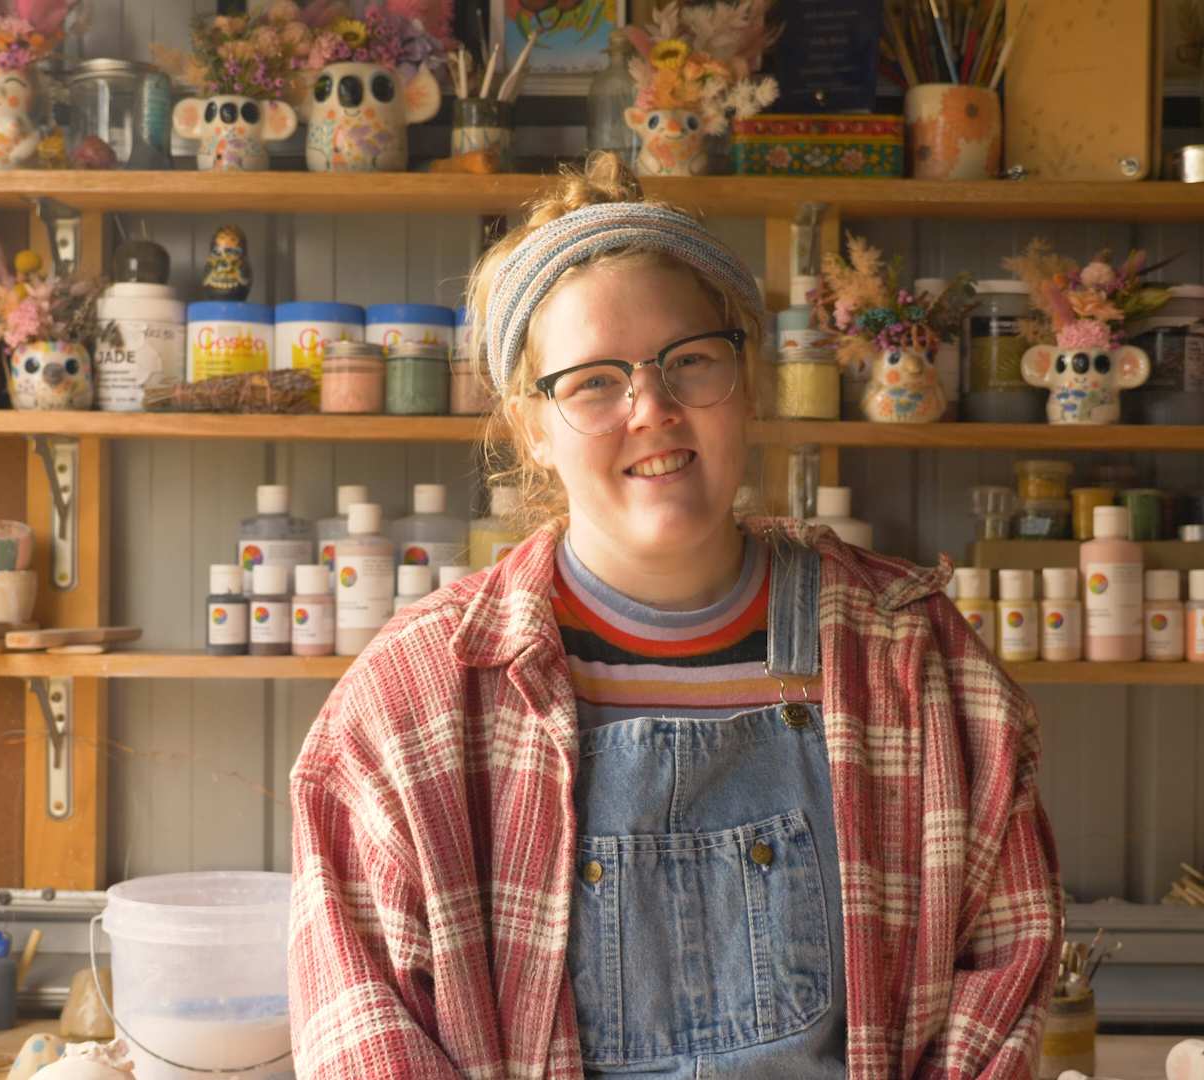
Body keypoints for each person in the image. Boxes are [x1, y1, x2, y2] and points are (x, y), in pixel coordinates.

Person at [287, 154, 1061, 1079]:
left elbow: (1001, 976)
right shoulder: (413, 700)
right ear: (531, 426)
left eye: (689, 361)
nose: (651, 408)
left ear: (746, 380)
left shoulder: (914, 659)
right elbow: (364, 1026)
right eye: (592, 383)